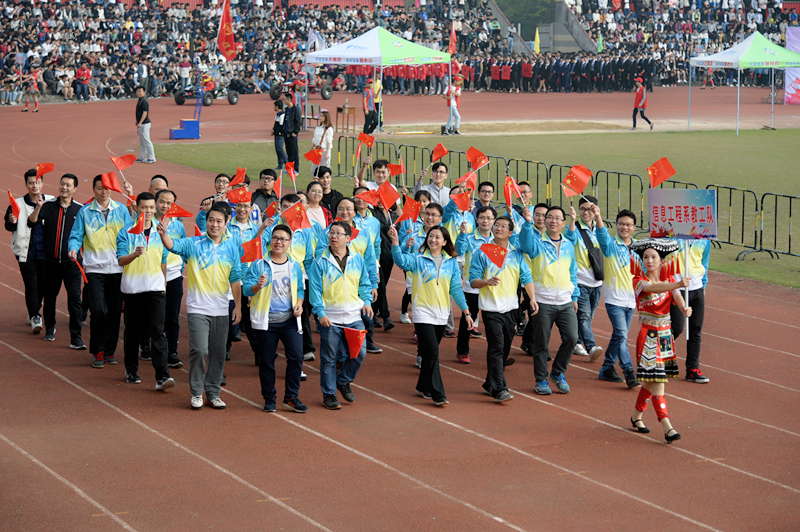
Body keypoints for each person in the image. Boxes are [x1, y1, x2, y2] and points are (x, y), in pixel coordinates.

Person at [158, 202, 242, 410]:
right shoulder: (194, 244)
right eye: (211, 220)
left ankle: (213, 393)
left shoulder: (232, 248)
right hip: (198, 307)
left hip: (221, 307)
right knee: (199, 349)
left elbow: (235, 278)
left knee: (218, 352)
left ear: (226, 224)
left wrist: (238, 306)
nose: (214, 224)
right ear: (206, 222)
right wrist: (163, 234)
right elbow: (172, 245)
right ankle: (196, 392)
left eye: (219, 221)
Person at [390, 224, 473, 406]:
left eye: (437, 237)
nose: (433, 240)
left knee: (429, 353)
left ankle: (422, 386)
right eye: (431, 236)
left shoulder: (451, 263)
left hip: (442, 313)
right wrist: (396, 243)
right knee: (433, 352)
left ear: (444, 242)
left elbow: (456, 289)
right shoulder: (418, 259)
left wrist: (466, 312)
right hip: (422, 312)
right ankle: (438, 394)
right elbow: (401, 261)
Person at [629, 238, 692, 444]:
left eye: (653, 257)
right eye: (646, 257)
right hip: (649, 335)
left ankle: (637, 416)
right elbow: (655, 289)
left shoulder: (669, 278)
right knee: (658, 381)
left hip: (665, 335)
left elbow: (676, 295)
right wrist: (678, 283)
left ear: (661, 260)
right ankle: (667, 426)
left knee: (651, 380)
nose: (649, 261)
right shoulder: (639, 281)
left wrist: (684, 308)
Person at [469, 215, 537, 403]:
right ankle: (500, 389)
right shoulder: (483, 252)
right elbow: (473, 281)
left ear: (511, 232)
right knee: (497, 347)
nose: (498, 228)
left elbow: (526, 277)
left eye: (503, 226)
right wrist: (486, 282)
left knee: (505, 348)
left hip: (511, 308)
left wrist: (532, 298)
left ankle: (489, 383)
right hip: (491, 308)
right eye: (496, 225)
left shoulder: (516, 253)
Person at [68, 175, 133, 368]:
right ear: (93, 189)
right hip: (94, 269)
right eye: (99, 188)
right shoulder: (85, 212)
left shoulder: (121, 210)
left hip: (118, 268)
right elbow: (76, 235)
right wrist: (73, 248)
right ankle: (98, 350)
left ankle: (109, 351)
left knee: (114, 312)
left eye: (107, 188)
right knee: (98, 310)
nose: (104, 191)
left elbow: (131, 233)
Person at [309, 221, 374, 410]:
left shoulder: (357, 259)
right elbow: (315, 291)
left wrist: (367, 301)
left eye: (338, 233)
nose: (334, 236)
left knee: (359, 353)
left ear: (348, 238)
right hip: (330, 319)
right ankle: (329, 394)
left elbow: (364, 284)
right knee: (329, 358)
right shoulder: (319, 262)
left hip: (354, 317)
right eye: (331, 233)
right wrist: (320, 313)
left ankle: (343, 380)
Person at [244, 224, 308, 413]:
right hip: (266, 322)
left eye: (283, 239)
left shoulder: (294, 265)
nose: (278, 242)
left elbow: (299, 289)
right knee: (266, 361)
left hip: (290, 321)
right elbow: (246, 289)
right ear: (270, 240)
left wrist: (299, 303)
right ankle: (269, 398)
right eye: (275, 238)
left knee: (296, 356)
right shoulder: (259, 264)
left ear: (289, 242)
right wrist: (257, 286)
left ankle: (291, 397)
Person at [116, 192, 175, 391]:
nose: (148, 211)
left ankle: (162, 376)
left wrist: (163, 283)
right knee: (132, 331)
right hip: (133, 288)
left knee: (158, 332)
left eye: (151, 207)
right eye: (144, 207)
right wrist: (134, 254)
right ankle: (131, 370)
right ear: (136, 208)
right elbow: (121, 260)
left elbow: (163, 260)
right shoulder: (126, 232)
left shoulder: (160, 231)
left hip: (155, 289)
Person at [520, 206, 579, 395]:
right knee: (541, 344)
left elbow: (573, 272)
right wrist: (527, 223)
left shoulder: (569, 245)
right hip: (542, 301)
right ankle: (541, 380)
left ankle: (558, 373)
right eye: (549, 217)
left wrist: (574, 296)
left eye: (557, 218)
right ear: (545, 221)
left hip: (565, 301)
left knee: (572, 338)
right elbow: (525, 246)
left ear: (563, 223)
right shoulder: (537, 243)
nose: (553, 221)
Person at [27, 173, 84, 348]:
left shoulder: (80, 210)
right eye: (62, 184)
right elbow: (32, 222)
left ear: (75, 189)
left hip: (72, 263)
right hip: (50, 262)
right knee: (50, 297)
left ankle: (76, 337)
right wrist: (38, 207)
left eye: (68, 185)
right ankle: (50, 328)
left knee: (75, 299)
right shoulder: (48, 205)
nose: (64, 187)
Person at [592, 205, 640, 389]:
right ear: (617, 225)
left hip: (631, 300)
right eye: (621, 224)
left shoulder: (639, 248)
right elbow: (602, 234)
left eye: (628, 225)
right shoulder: (610, 245)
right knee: (621, 334)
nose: (624, 227)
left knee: (619, 336)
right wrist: (598, 216)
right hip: (614, 298)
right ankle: (628, 370)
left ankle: (607, 368)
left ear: (634, 227)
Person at [6, 169, 54, 335]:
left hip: (47, 253)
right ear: (26, 184)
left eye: (37, 182)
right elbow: (8, 226)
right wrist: (12, 221)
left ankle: (34, 308)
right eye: (31, 182)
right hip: (26, 252)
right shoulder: (17, 204)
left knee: (42, 286)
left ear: (42, 183)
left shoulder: (51, 201)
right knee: (31, 285)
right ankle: (35, 316)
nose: (35, 185)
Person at [564, 196, 604, 361]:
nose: (586, 212)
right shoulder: (574, 228)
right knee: (584, 316)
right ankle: (591, 346)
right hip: (580, 281)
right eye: (583, 209)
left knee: (588, 316)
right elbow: (570, 239)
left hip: (597, 281)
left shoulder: (599, 228)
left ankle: (576, 341)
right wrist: (572, 220)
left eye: (589, 209)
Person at [455, 205, 495, 364]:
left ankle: (499, 352)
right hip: (471, 286)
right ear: (476, 219)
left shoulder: (498, 240)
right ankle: (462, 351)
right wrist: (462, 234)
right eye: (482, 217)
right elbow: (459, 251)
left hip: (492, 287)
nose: (485, 221)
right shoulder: (469, 238)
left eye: (489, 218)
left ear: (494, 221)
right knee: (468, 320)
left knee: (494, 322)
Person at [670, 239, 712, 384]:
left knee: (695, 329)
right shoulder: (673, 237)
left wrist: (703, 285)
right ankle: (657, 358)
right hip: (677, 287)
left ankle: (693, 369)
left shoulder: (705, 240)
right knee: (676, 327)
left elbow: (704, 263)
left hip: (697, 288)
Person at [154, 189, 185, 368]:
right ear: (156, 202)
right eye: (162, 201)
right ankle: (148, 346)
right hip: (152, 275)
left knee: (172, 316)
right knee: (154, 315)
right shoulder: (148, 223)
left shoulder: (178, 226)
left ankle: (172, 352)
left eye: (169, 203)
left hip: (174, 276)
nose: (165, 205)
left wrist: (180, 268)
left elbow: (183, 248)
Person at [135, 86, 156, 163]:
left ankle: (152, 157)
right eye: (137, 91)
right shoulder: (140, 100)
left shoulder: (144, 101)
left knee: (146, 141)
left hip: (144, 124)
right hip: (141, 123)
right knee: (142, 142)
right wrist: (137, 121)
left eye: (140, 91)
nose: (138, 93)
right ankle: (143, 157)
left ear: (144, 92)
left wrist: (140, 122)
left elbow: (145, 113)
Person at [311, 110, 334, 175]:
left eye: (322, 116)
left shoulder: (329, 128)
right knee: (313, 169)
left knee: (326, 168)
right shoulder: (318, 127)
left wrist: (327, 153)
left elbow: (329, 141)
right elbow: (315, 140)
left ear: (326, 118)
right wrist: (311, 149)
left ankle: (327, 180)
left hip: (324, 150)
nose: (320, 117)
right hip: (317, 149)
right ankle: (315, 180)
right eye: (320, 116)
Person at [283, 93, 301, 173]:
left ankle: (296, 169)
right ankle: (289, 169)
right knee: (289, 152)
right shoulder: (286, 109)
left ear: (289, 100)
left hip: (292, 134)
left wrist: (295, 132)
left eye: (285, 99)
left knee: (294, 152)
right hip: (286, 133)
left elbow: (299, 122)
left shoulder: (296, 109)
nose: (284, 101)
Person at [272, 100, 288, 171]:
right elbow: (276, 124)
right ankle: (280, 165)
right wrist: (273, 130)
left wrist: (276, 131)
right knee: (278, 150)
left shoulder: (282, 115)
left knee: (280, 149)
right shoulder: (278, 114)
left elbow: (281, 126)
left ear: (277, 107)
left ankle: (287, 163)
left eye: (274, 106)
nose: (274, 108)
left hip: (280, 135)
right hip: (276, 134)